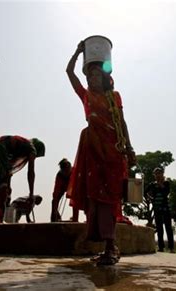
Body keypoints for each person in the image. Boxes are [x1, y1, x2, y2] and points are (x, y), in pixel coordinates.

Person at [66, 40, 136, 265]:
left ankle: (111, 247)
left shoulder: (114, 97)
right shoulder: (86, 95)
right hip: (92, 151)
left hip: (113, 153)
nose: (91, 80)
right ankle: (107, 247)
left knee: (110, 197)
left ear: (104, 78)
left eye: (95, 76)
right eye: (88, 77)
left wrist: (130, 147)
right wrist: (78, 52)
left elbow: (122, 123)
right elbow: (69, 72)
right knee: (94, 197)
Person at [0, 135, 45, 223]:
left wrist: (9, 187)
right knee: (0, 189)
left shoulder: (20, 145)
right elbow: (31, 172)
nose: (34, 158)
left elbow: (8, 170)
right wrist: (31, 194)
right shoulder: (31, 148)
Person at [145, 167, 174, 253]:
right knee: (159, 228)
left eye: (159, 173)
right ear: (154, 175)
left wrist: (161, 184)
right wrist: (150, 198)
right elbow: (144, 191)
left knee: (168, 228)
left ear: (162, 174)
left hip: (166, 208)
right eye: (156, 173)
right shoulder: (152, 184)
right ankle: (161, 247)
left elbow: (166, 192)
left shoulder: (166, 183)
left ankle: (171, 247)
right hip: (157, 208)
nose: (157, 175)